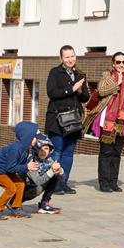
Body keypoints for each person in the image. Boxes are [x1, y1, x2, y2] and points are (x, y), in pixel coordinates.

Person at [86, 52, 124, 192]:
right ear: (113, 64)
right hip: (108, 120)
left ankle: (113, 182)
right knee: (106, 152)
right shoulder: (107, 76)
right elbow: (101, 91)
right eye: (118, 62)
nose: (121, 65)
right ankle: (104, 183)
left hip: (123, 119)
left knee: (116, 153)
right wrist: (117, 83)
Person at [45, 44, 90, 194]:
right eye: (67, 57)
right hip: (57, 119)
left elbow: (86, 98)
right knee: (57, 152)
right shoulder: (55, 72)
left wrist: (80, 90)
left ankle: (63, 182)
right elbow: (52, 93)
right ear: (61, 58)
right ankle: (53, 184)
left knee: (69, 153)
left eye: (72, 56)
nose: (70, 59)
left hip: (73, 120)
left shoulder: (79, 74)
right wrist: (71, 89)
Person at [0, 121, 41, 219]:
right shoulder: (16, 150)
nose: (37, 140)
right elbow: (11, 168)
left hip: (5, 169)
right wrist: (26, 167)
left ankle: (16, 207)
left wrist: (28, 166)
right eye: (35, 137)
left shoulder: (25, 148)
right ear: (27, 137)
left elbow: (18, 165)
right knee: (11, 189)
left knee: (20, 184)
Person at [23, 133, 65, 213]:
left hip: (36, 188)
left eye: (46, 148)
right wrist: (52, 170)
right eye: (40, 149)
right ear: (35, 149)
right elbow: (38, 181)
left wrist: (60, 171)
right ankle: (14, 202)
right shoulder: (32, 161)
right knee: (39, 186)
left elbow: (61, 179)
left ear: (50, 150)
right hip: (25, 190)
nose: (43, 152)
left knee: (55, 176)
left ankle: (44, 203)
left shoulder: (49, 160)